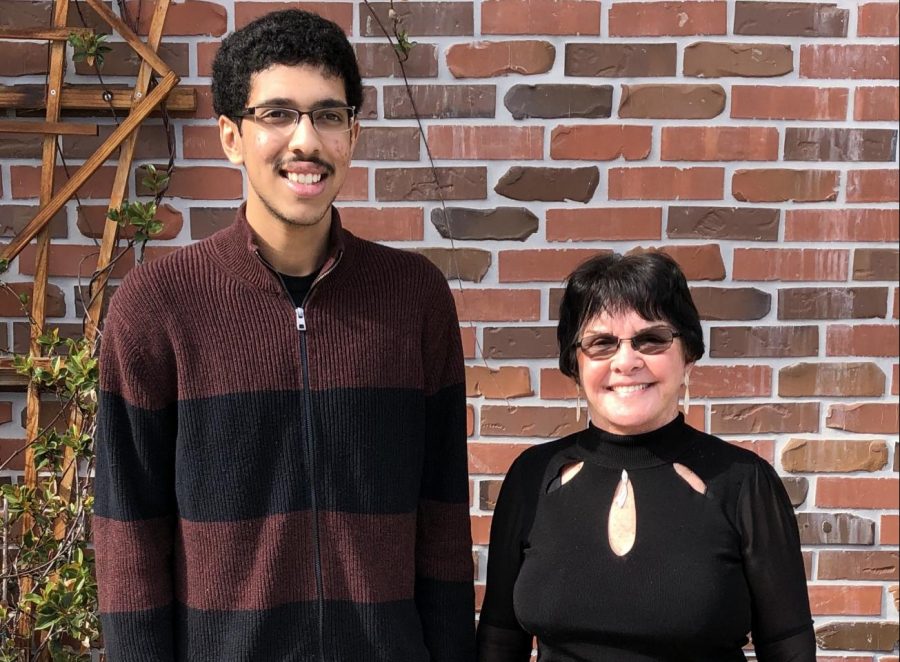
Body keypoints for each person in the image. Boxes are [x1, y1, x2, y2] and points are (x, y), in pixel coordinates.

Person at [93, 9, 474, 661]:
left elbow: (441, 523)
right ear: (232, 136)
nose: (306, 141)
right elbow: (130, 536)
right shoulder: (159, 306)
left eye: (328, 115)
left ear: (352, 133)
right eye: (278, 115)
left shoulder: (414, 299)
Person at [476, 252, 815, 661]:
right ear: (574, 363)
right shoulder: (533, 478)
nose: (626, 361)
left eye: (651, 339)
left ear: (688, 354)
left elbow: (788, 648)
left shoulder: (744, 483)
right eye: (601, 343)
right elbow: (498, 642)